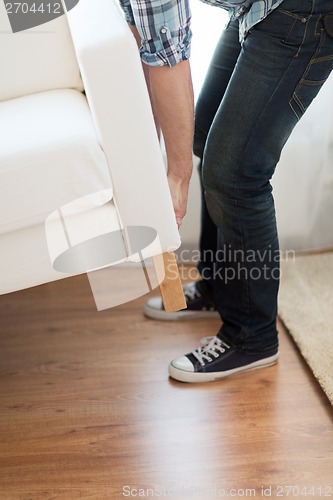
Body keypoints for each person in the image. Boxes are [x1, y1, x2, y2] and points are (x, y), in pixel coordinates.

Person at [119, 0, 333, 383]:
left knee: (236, 173)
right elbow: (145, 40)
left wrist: (177, 178)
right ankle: (219, 283)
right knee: (203, 137)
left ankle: (252, 338)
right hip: (263, 6)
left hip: (306, 11)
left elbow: (167, 52)